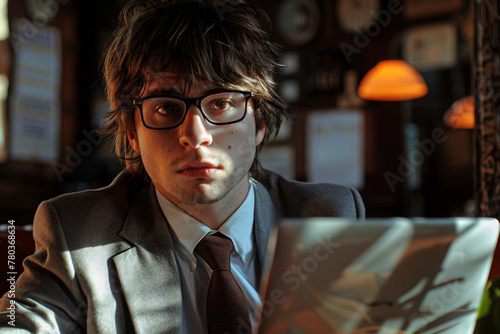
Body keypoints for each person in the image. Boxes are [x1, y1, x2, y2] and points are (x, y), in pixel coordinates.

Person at [0, 0, 365, 333]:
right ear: (131, 133)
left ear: (261, 123)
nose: (196, 135)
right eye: (166, 107)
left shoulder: (333, 216)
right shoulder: (75, 236)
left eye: (221, 103)